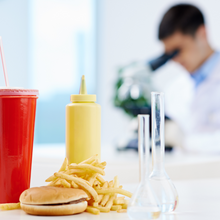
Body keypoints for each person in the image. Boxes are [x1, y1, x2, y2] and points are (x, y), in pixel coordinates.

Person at [158, 4, 220, 152]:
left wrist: (185, 142)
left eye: (177, 50)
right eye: (169, 55)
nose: (174, 60)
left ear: (202, 34)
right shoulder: (174, 88)